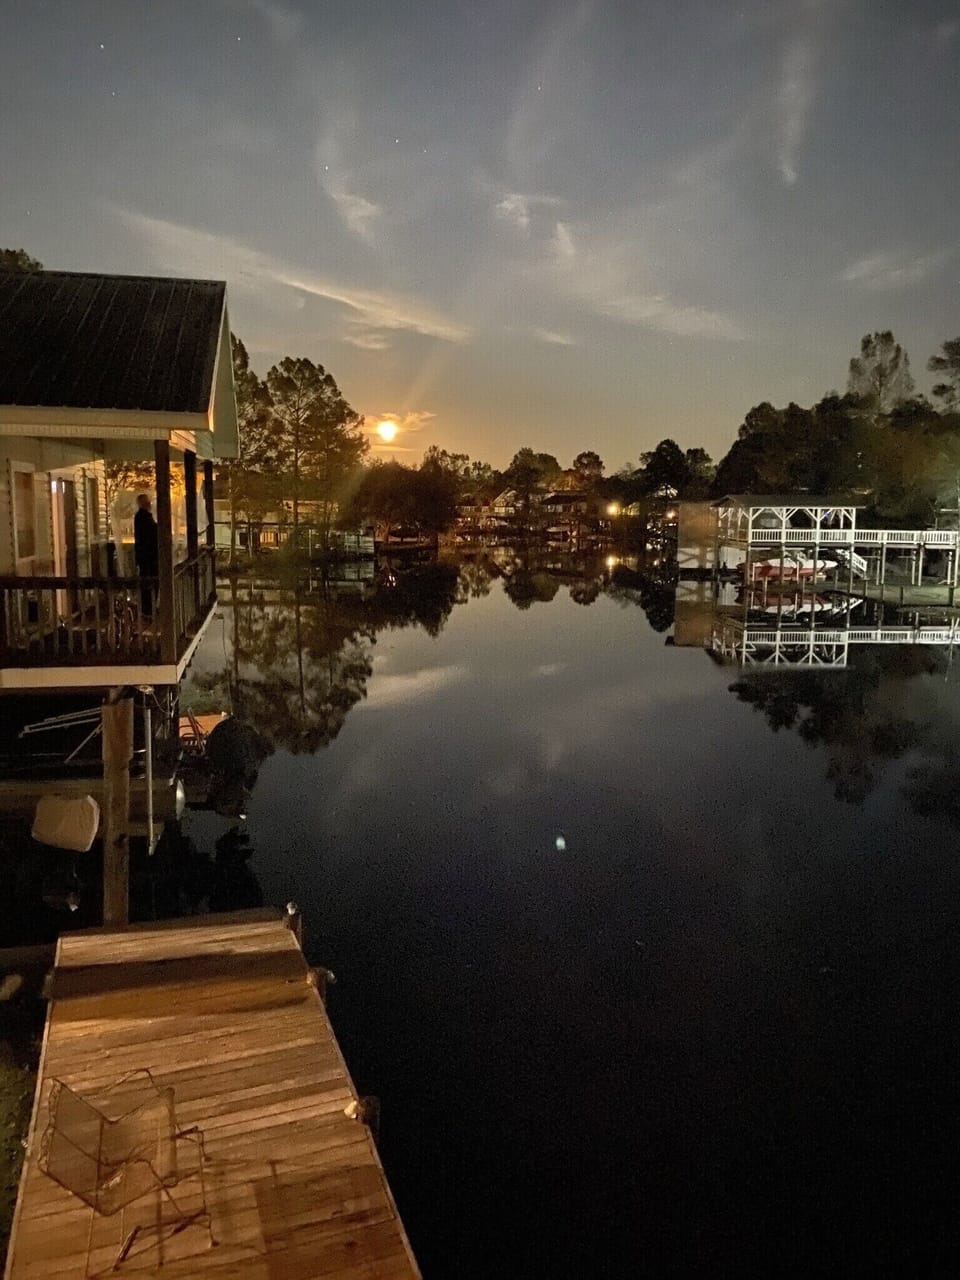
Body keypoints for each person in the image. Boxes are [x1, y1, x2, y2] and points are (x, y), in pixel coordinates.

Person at [134, 493, 159, 618]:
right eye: (148, 502)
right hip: (149, 556)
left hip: (146, 556)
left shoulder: (141, 516)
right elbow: (151, 533)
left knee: (149, 581)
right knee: (150, 582)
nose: (150, 504)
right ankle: (148, 609)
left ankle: (149, 608)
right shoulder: (143, 517)